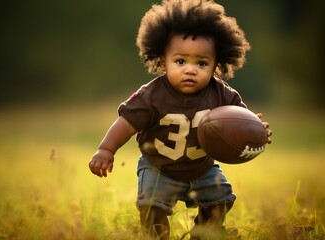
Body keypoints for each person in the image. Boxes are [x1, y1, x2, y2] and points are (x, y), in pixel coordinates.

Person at [89, 0, 272, 239]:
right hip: (159, 167)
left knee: (221, 200)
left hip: (202, 168)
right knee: (151, 206)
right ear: (162, 60)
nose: (190, 69)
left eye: (202, 63)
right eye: (180, 61)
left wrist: (257, 129)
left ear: (217, 65)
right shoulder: (151, 96)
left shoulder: (222, 94)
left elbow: (240, 122)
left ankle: (203, 234)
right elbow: (126, 123)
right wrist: (106, 149)